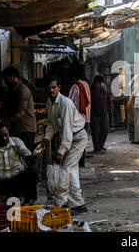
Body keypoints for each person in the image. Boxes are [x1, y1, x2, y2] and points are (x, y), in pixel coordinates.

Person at [43, 76, 88, 214]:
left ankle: (62, 203)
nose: (51, 90)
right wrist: (47, 138)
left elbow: (67, 129)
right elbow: (52, 123)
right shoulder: (49, 102)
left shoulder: (66, 103)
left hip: (78, 138)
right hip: (69, 138)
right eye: (49, 87)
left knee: (65, 169)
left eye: (54, 87)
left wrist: (61, 151)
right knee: (70, 170)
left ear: (59, 88)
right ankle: (78, 204)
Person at [0, 123, 37, 204]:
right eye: (0, 136)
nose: (4, 138)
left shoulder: (16, 142)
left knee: (32, 171)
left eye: (6, 135)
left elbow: (25, 151)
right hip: (2, 183)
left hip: (18, 179)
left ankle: (29, 200)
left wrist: (29, 157)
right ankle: (11, 196)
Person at [69, 72, 91, 166]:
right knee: (83, 142)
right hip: (87, 118)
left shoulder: (75, 87)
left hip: (78, 119)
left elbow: (70, 103)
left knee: (75, 143)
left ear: (74, 78)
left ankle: (76, 162)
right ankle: (82, 163)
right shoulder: (86, 85)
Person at [90, 75, 113, 152]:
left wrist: (111, 104)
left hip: (104, 111)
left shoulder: (103, 86)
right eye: (98, 84)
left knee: (105, 129)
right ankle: (97, 147)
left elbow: (108, 96)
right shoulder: (91, 89)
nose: (99, 85)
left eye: (100, 84)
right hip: (94, 113)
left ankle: (101, 145)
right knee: (95, 131)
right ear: (95, 82)